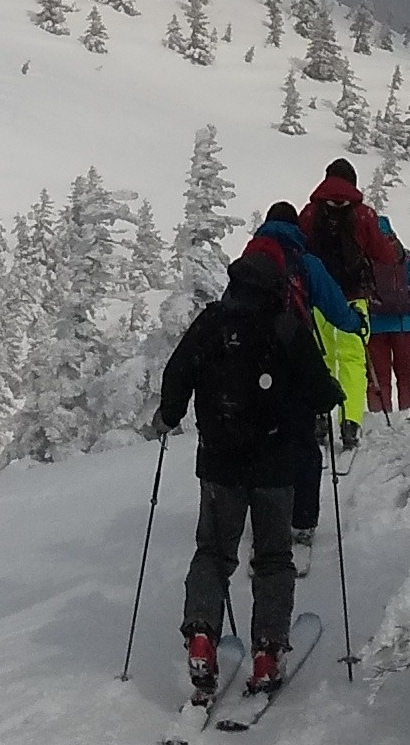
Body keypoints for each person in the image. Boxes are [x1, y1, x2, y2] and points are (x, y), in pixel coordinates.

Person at [154, 233, 341, 697]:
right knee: (274, 558)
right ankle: (266, 654)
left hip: (219, 463)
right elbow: (321, 391)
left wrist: (169, 416)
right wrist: (329, 397)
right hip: (275, 464)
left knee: (213, 555)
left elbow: (177, 372)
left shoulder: (212, 322)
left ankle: (202, 636)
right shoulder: (286, 325)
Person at [254, 197, 344, 567]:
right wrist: (355, 323)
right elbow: (334, 306)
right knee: (303, 442)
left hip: (253, 364)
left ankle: (265, 519)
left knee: (262, 440)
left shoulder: (251, 260)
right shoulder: (305, 262)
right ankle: (302, 523)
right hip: (295, 356)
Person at [298, 158, 382, 454]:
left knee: (321, 356)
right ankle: (350, 423)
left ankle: (320, 417)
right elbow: (382, 253)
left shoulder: (310, 212)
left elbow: (300, 249)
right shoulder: (363, 214)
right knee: (352, 360)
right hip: (353, 298)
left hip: (318, 298)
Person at [364, 212, 410, 417]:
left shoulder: (363, 257)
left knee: (378, 377)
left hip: (374, 326)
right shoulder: (404, 257)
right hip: (404, 323)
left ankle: (381, 416)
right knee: (408, 374)